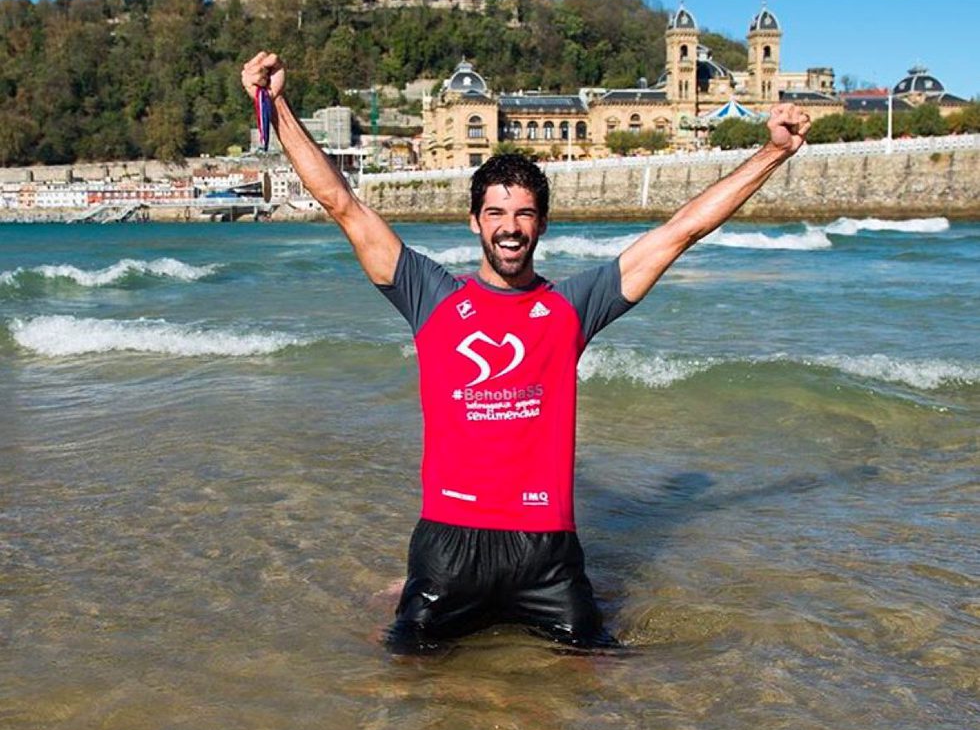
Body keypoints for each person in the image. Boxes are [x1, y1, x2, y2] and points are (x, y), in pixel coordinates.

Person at [241, 51, 811, 653]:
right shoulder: (428, 294)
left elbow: (681, 231)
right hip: (450, 544)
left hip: (545, 553)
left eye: (523, 214)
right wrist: (276, 105)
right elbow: (343, 204)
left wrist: (773, 152)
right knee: (403, 680)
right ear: (473, 222)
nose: (509, 227)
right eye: (495, 214)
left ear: (541, 225)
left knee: (600, 677)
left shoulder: (574, 306)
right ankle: (410, 595)